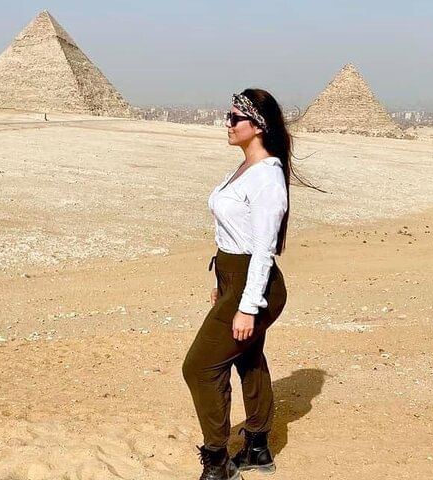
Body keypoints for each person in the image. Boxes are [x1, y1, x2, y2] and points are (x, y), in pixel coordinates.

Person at [183, 88, 305, 480]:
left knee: (200, 367)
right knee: (247, 358)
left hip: (256, 283)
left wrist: (247, 307)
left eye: (236, 118)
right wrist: (222, 284)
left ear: (258, 126)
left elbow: (263, 250)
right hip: (233, 277)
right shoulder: (244, 168)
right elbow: (233, 235)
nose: (228, 123)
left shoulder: (267, 177)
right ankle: (257, 447)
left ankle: (218, 462)